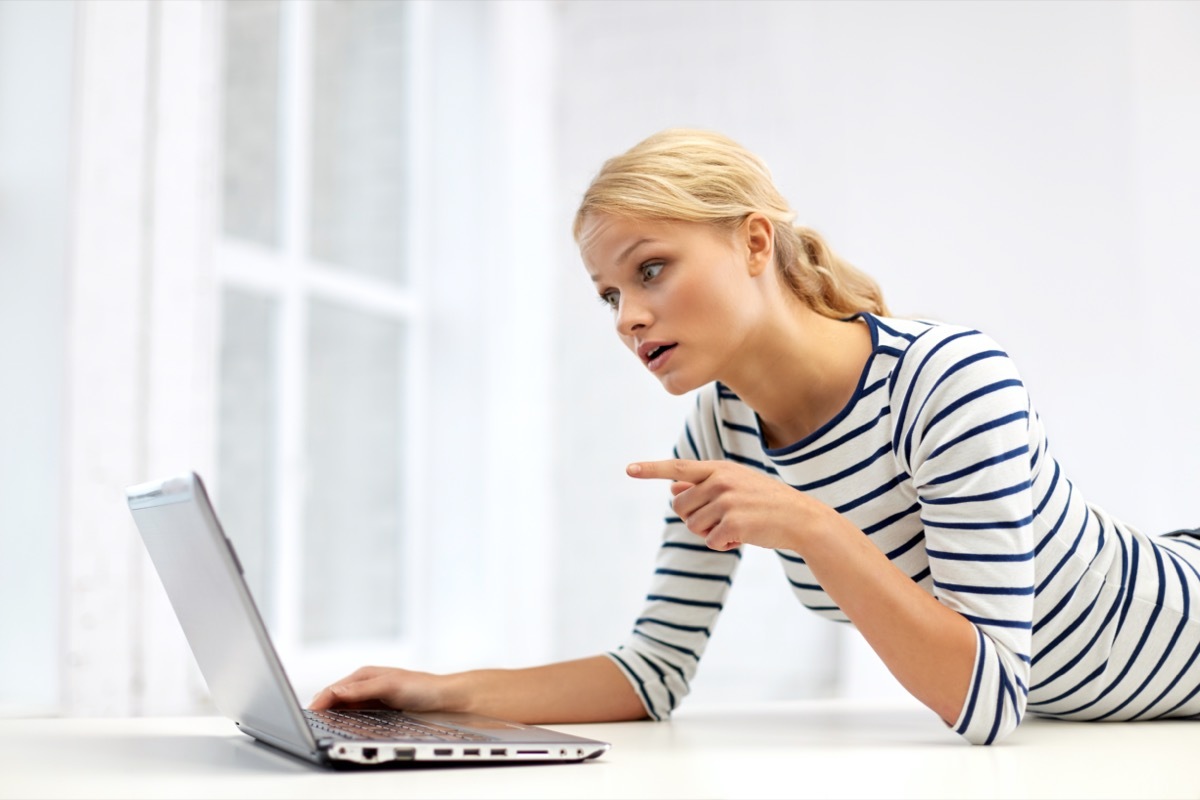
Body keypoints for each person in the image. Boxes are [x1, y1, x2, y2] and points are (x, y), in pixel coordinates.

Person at [310, 128, 1200, 745]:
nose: (628, 317)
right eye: (609, 295)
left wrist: (810, 524)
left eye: (650, 269)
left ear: (754, 241)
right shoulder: (720, 426)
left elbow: (994, 700)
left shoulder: (948, 380)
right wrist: (438, 694)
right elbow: (653, 671)